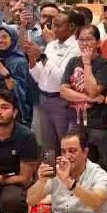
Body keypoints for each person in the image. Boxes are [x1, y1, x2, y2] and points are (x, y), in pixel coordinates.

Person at [60, 24, 107, 213]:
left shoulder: (104, 65)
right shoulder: (72, 61)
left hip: (98, 124)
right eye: (81, 39)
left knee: (106, 166)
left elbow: (94, 90)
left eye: (89, 39)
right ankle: (76, 203)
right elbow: (63, 91)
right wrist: (89, 98)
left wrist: (87, 64)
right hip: (76, 123)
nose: (85, 43)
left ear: (97, 42)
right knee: (73, 164)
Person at [29, 8, 80, 151]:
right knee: (48, 147)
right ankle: (50, 167)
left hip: (62, 101)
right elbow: (39, 78)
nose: (53, 30)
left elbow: (62, 79)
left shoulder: (76, 47)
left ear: (71, 26)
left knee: (65, 145)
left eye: (58, 26)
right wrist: (32, 60)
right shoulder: (51, 45)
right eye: (53, 26)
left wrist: (42, 56)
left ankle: (66, 167)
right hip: (44, 99)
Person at [0, 25, 35, 126]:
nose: (0, 40)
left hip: (11, 110)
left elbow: (21, 92)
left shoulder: (20, 61)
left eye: (4, 37)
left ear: (12, 38)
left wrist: (5, 73)